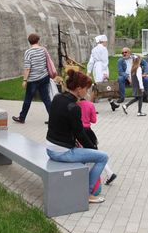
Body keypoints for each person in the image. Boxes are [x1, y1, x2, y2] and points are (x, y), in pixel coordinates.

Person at [46, 69, 108, 203]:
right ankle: (88, 193)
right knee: (103, 157)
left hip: (50, 148)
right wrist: (93, 149)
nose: (88, 91)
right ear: (79, 89)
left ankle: (78, 185)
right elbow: (80, 134)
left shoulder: (57, 98)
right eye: (87, 88)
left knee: (87, 155)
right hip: (62, 152)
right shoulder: (74, 107)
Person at [12, 33, 52, 124]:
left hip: (33, 80)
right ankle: (53, 119)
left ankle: (22, 118)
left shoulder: (28, 52)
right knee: (46, 99)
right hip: (44, 77)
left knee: (28, 99)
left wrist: (25, 80)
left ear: (29, 42)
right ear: (38, 40)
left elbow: (27, 67)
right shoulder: (43, 50)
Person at [78, 98, 117, 185]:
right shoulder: (90, 104)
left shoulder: (75, 104)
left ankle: (84, 177)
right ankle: (109, 173)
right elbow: (94, 120)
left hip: (79, 131)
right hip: (88, 131)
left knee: (83, 154)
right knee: (95, 153)